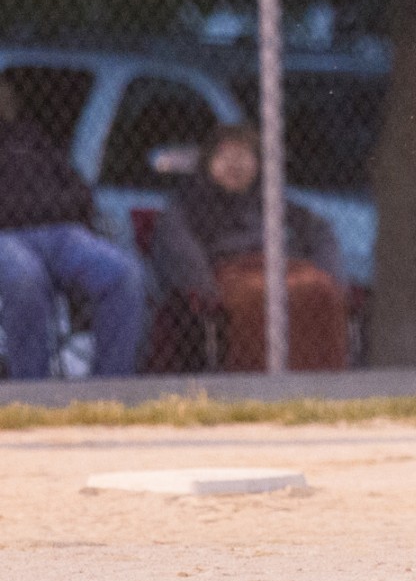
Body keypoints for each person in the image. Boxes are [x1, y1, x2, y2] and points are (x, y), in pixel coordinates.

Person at [149, 123, 348, 371]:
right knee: (257, 298)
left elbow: (320, 231)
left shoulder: (272, 200)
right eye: (225, 155)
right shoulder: (189, 203)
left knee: (322, 290)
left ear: (257, 164)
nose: (235, 164)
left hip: (286, 268)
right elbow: (178, 245)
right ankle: (258, 384)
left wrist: (331, 275)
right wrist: (205, 290)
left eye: (244, 155)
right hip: (233, 273)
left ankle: (324, 382)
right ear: (208, 161)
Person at [0, 77, 147, 379]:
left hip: (61, 234)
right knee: (25, 279)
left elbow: (81, 194)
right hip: (7, 238)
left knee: (124, 275)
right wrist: (49, 206)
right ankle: (33, 393)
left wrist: (33, 209)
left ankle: (108, 390)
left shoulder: (30, 138)